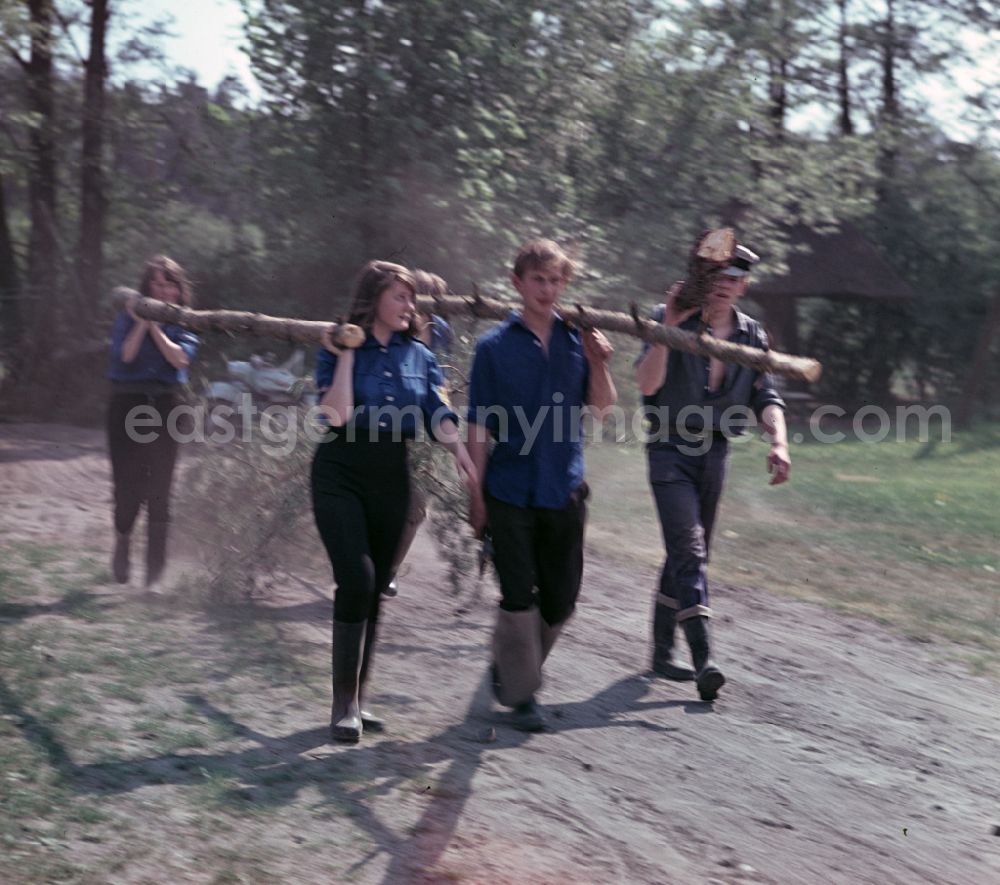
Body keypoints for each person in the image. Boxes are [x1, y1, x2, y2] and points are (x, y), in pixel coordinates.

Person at [312, 260, 477, 743]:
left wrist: (458, 449)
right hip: (340, 470)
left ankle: (358, 701)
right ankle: (342, 703)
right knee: (357, 579)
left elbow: (437, 411)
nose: (410, 306)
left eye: (411, 299)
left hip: (391, 474)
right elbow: (337, 415)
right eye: (400, 297)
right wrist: (345, 353)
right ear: (374, 300)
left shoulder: (420, 356)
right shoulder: (337, 349)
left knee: (377, 583)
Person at [466, 239, 617, 732]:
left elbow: (601, 408)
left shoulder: (579, 342)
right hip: (508, 489)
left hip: (564, 487)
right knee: (517, 595)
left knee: (561, 598)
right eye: (538, 280)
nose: (548, 290)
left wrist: (599, 362)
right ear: (517, 283)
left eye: (556, 281)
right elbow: (478, 427)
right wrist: (475, 494)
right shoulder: (493, 348)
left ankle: (510, 671)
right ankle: (523, 696)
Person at [634, 232, 790, 701]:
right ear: (703, 279)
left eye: (734, 277)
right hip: (669, 448)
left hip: (715, 453)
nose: (724, 284)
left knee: (687, 553)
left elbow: (766, 395)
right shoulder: (671, 319)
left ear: (743, 286)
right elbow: (645, 385)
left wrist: (779, 442)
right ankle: (705, 660)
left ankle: (662, 651)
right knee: (689, 548)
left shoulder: (752, 336)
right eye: (716, 275)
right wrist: (667, 330)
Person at [107, 255, 199, 588]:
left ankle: (154, 578)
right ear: (146, 287)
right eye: (155, 285)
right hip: (127, 403)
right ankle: (122, 540)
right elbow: (127, 356)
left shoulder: (186, 322)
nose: (162, 292)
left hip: (167, 405)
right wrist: (142, 321)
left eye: (168, 285)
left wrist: (155, 325)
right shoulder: (126, 318)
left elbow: (178, 358)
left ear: (178, 289)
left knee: (160, 491)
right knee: (128, 488)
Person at [384, 268, 456, 598]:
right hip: (387, 428)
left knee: (416, 508)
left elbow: (445, 376)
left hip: (425, 433)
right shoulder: (391, 326)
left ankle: (389, 570)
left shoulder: (441, 332)